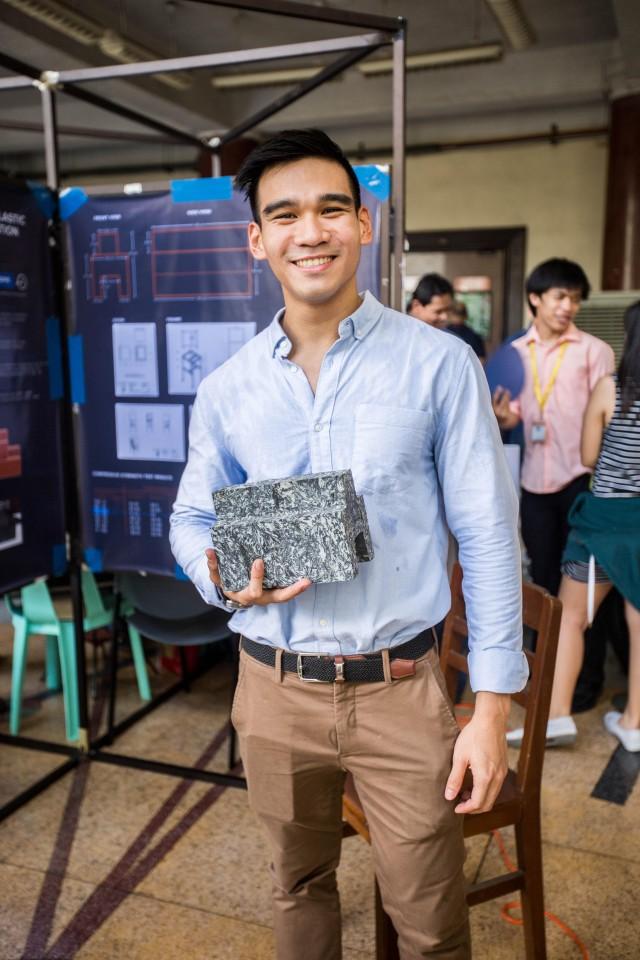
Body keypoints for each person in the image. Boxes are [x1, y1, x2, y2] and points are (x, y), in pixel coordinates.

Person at [170, 128, 527, 960]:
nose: (311, 231)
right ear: (257, 240)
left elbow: (488, 537)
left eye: (332, 209)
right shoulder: (227, 389)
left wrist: (493, 711)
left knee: (433, 923)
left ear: (365, 224)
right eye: (285, 214)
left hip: (401, 690)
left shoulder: (438, 364)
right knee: (297, 889)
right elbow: (191, 521)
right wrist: (225, 580)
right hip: (272, 687)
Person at [508, 301, 640, 751]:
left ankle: (558, 715)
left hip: (603, 521)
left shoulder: (612, 388)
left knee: (571, 619)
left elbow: (587, 456)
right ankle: (634, 722)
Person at [492, 258, 614, 597]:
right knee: (543, 575)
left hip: (582, 480)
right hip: (532, 482)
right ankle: (549, 648)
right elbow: (513, 414)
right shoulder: (515, 352)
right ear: (535, 298)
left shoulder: (595, 351)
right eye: (560, 297)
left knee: (587, 578)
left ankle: (586, 650)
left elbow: (607, 419)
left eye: (574, 299)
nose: (568, 307)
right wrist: (503, 418)